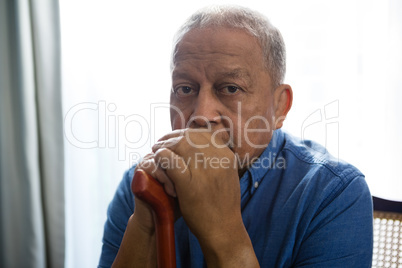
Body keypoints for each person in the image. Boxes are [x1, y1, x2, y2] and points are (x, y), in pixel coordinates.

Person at [98, 5, 373, 268]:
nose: (202, 115)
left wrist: (223, 231)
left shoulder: (333, 193)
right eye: (184, 89)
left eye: (230, 88)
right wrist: (145, 225)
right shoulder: (140, 184)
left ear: (279, 106)